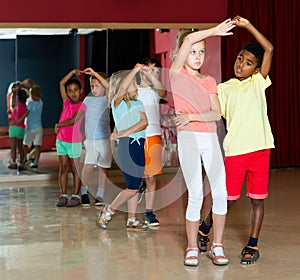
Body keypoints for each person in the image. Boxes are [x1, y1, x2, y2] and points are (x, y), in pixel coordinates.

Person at [199, 15, 274, 265]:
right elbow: (212, 111)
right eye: (240, 58)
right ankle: (205, 227)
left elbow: (269, 48)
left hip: (261, 150)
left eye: (249, 62)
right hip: (235, 152)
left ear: (256, 68)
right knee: (227, 200)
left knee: (257, 200)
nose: (241, 63)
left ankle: (253, 244)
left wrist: (248, 26)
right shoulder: (224, 88)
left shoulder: (258, 82)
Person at [169, 19, 235, 266]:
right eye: (193, 52)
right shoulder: (177, 75)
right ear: (183, 53)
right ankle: (192, 247)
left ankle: (217, 245)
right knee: (195, 193)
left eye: (202, 52)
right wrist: (215, 31)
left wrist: (191, 116)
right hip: (188, 139)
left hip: (209, 138)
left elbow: (216, 114)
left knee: (220, 193)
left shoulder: (209, 81)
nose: (197, 56)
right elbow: (187, 39)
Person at [96, 64, 148, 231]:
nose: (136, 86)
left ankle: (132, 220)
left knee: (136, 186)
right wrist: (134, 70)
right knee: (132, 187)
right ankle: (108, 210)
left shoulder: (138, 103)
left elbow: (144, 122)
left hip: (139, 145)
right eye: (133, 83)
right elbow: (123, 86)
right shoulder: (117, 103)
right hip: (126, 147)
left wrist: (124, 131)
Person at [136, 57, 167, 227]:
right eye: (150, 70)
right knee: (139, 173)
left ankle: (149, 212)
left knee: (152, 177)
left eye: (156, 72)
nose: (153, 74)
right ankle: (140, 185)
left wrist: (153, 76)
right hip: (137, 136)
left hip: (154, 135)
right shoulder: (135, 90)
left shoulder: (156, 90)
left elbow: (163, 92)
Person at [81, 67, 112, 207]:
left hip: (104, 139)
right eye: (92, 86)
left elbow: (109, 86)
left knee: (103, 168)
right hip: (91, 140)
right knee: (88, 167)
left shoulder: (107, 99)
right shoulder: (87, 100)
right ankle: (84, 191)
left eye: (97, 86)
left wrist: (94, 73)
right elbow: (81, 119)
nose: (94, 89)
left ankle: (100, 194)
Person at [55, 69, 86, 207]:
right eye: (70, 91)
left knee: (75, 169)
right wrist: (72, 72)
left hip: (74, 141)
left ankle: (75, 196)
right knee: (63, 168)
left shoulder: (82, 106)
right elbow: (62, 83)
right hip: (61, 140)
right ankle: (63, 195)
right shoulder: (66, 103)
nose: (73, 93)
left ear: (81, 91)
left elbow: (73, 120)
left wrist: (58, 124)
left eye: (75, 90)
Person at [23, 82, 43, 169]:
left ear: (33, 95)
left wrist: (17, 120)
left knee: (25, 145)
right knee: (37, 145)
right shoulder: (41, 102)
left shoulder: (30, 104)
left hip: (30, 128)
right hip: (39, 127)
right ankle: (35, 162)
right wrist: (29, 90)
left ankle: (25, 159)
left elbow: (26, 114)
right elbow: (33, 94)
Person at [7, 89, 28, 171]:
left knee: (13, 147)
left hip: (13, 128)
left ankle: (14, 162)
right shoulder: (25, 107)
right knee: (20, 147)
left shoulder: (16, 106)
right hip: (21, 128)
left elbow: (12, 119)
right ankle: (22, 163)